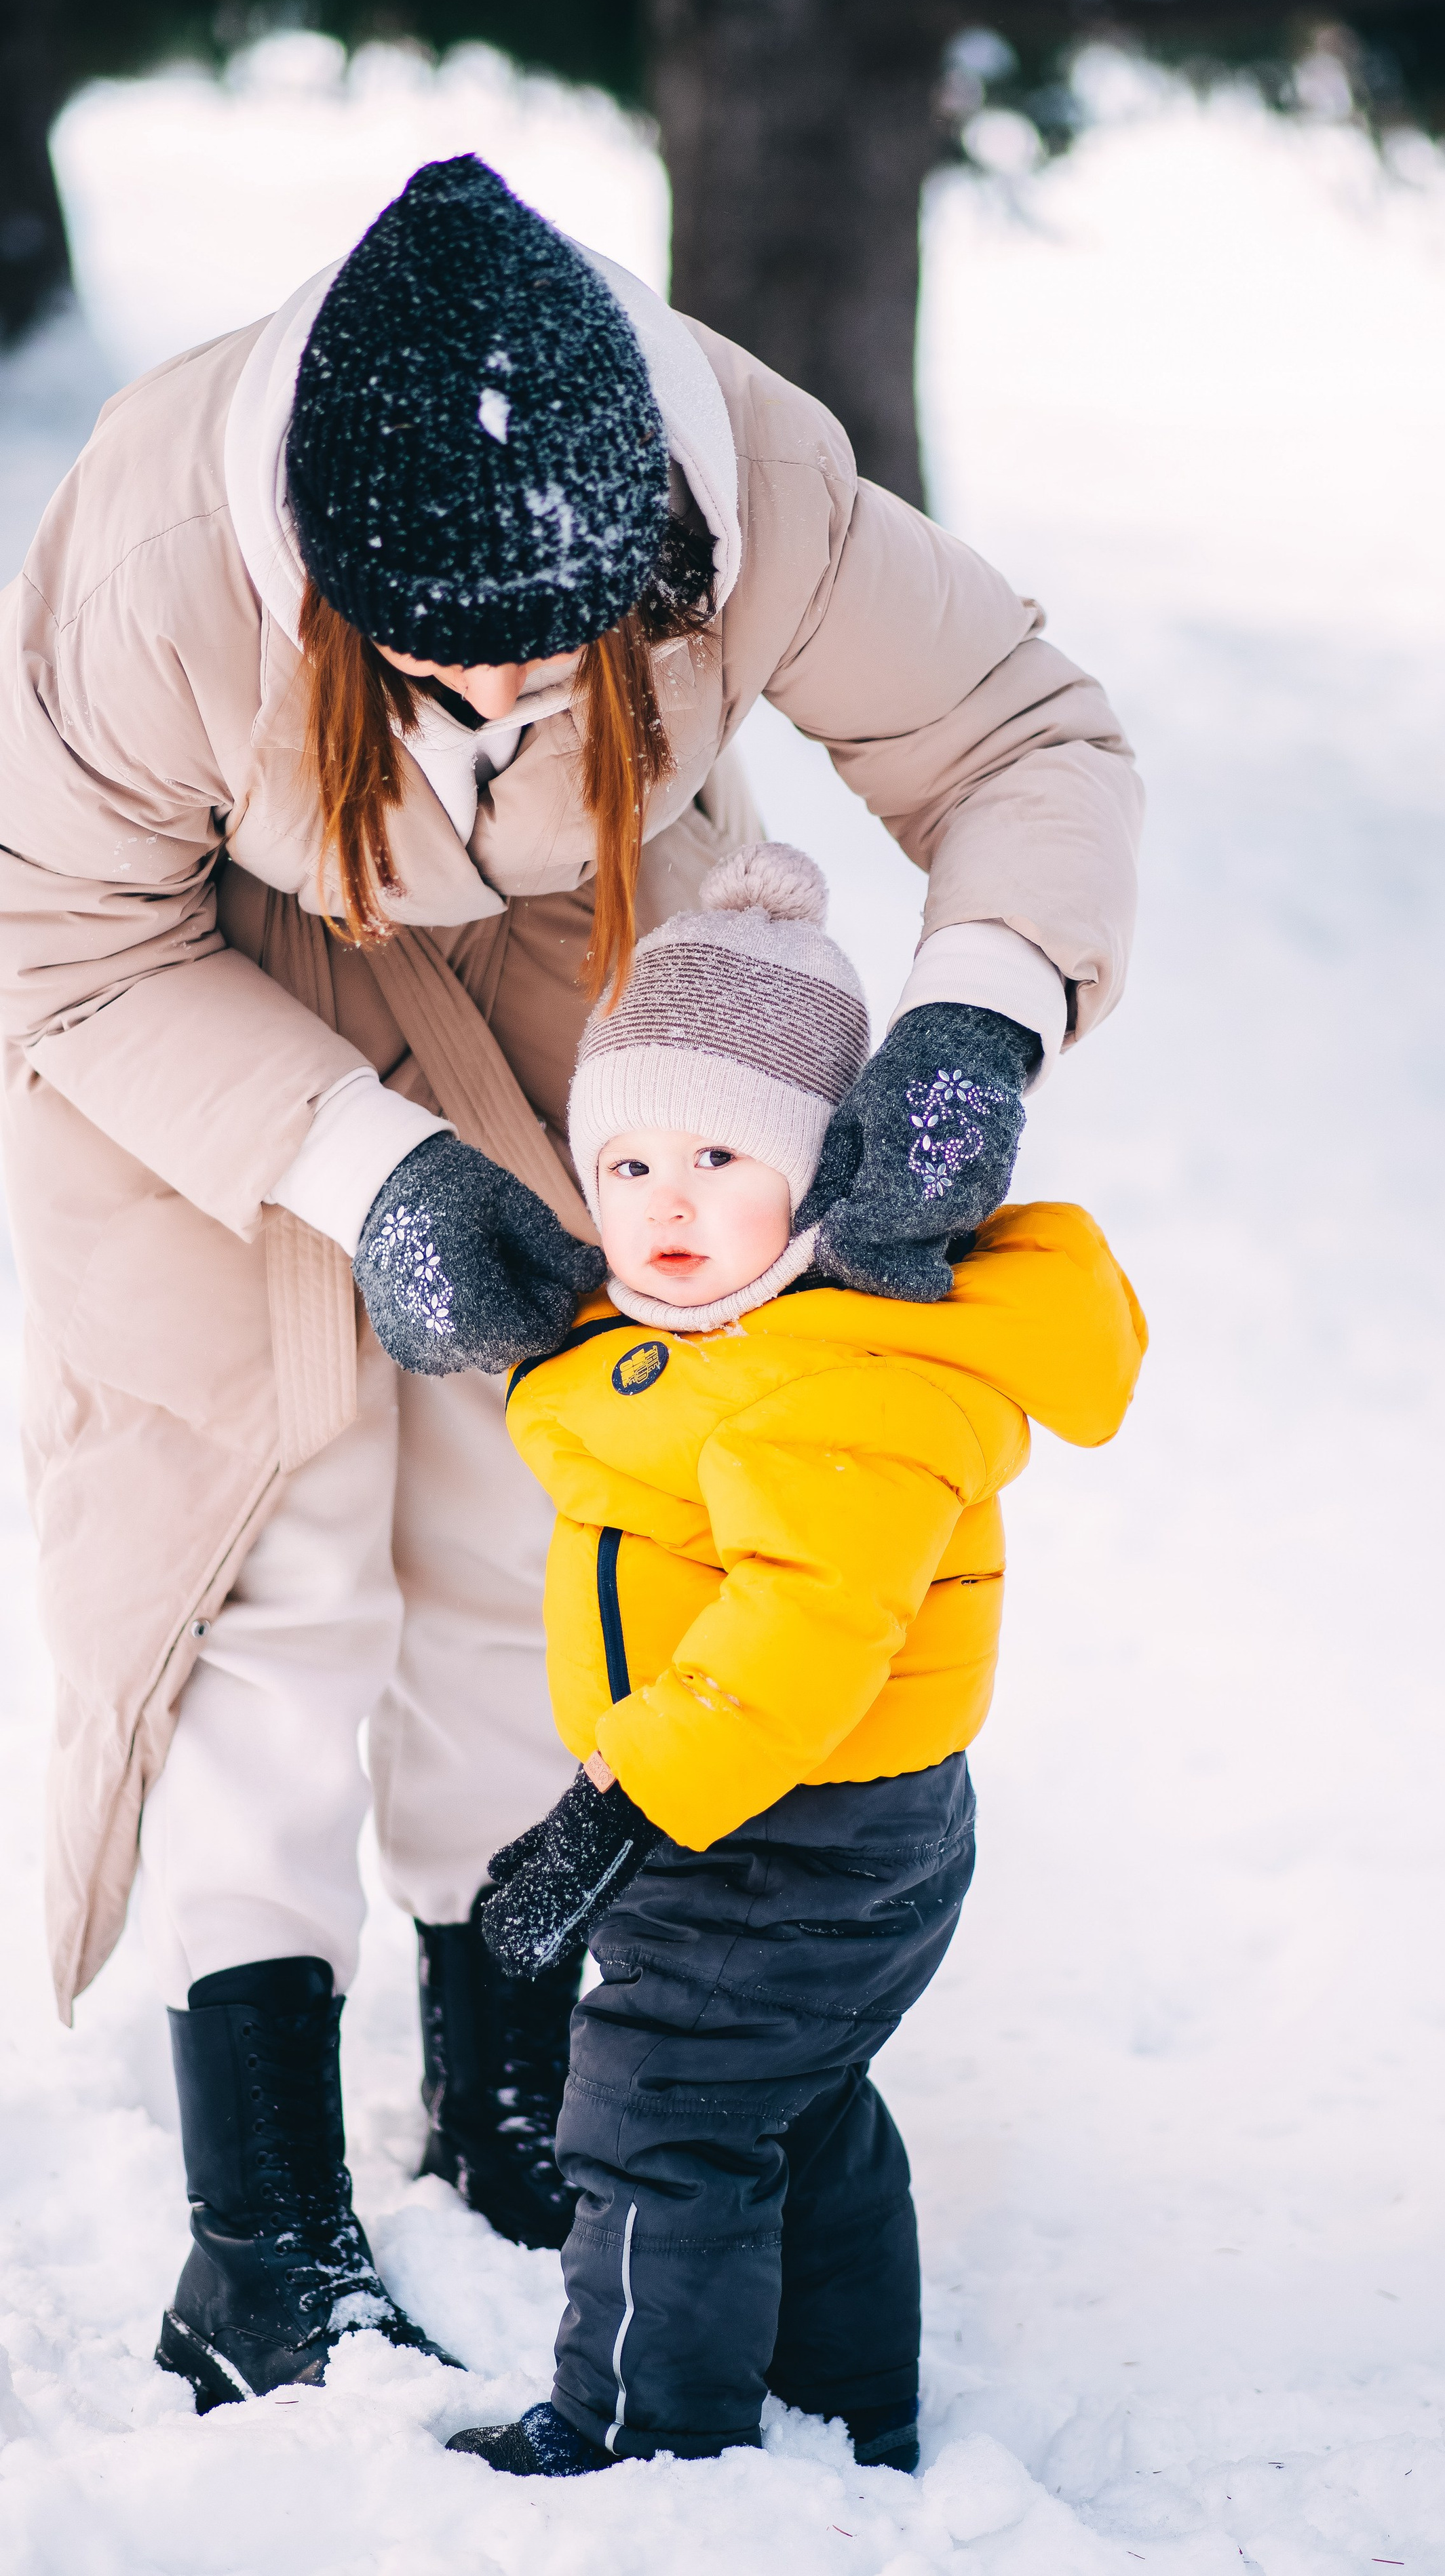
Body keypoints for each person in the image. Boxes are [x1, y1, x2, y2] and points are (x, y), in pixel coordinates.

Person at [0, 153, 1140, 2406]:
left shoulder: (759, 492)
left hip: (590, 965)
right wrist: (369, 1172)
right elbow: (58, 934)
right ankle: (262, 2225)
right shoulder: (152, 576)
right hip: (181, 1002)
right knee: (266, 1540)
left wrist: (983, 1009)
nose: (511, 691)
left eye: (562, 651)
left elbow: (1021, 734)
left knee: (560, 1504)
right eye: (448, 664)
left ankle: (515, 2078)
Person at [443, 841, 1146, 2476]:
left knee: (658, 2111)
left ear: (824, 1174)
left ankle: (644, 2437)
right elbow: (640, 1439)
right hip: (779, 1813)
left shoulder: (847, 1372)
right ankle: (844, 2402)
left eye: (717, 1154)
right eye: (624, 1162)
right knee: (791, 2102)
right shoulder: (733, 1334)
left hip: (782, 1827)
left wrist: (617, 1806)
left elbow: (807, 1624)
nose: (665, 1202)